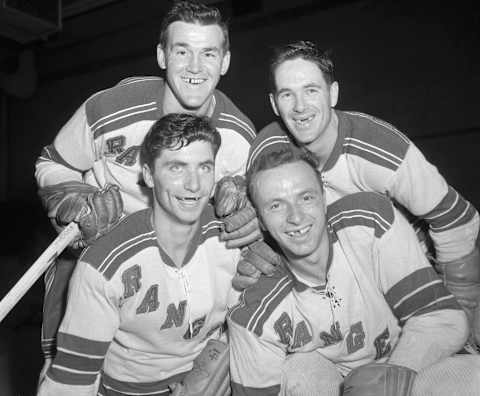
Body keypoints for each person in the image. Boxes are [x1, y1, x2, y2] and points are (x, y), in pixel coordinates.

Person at [35, 0, 258, 365]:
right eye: (182, 51)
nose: (196, 68)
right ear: (161, 55)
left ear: (226, 60)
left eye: (209, 53)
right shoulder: (109, 109)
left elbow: (243, 220)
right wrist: (73, 197)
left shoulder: (238, 137)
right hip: (96, 261)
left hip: (178, 281)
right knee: (70, 370)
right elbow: (53, 162)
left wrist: (251, 218)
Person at [238, 40, 480, 344]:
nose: (300, 107)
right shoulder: (266, 151)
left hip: (412, 264)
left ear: (333, 93)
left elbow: (456, 216)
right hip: (339, 271)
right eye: (288, 94)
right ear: (274, 104)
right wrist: (259, 243)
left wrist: (461, 302)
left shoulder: (380, 150)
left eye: (311, 90)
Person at [228, 146, 480, 395]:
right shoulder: (253, 313)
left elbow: (442, 318)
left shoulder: (368, 223)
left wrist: (389, 381)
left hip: (408, 363)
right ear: (260, 220)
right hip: (331, 382)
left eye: (306, 197)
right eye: (276, 206)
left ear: (324, 198)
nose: (295, 216)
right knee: (300, 369)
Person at [37, 113, 240, 396]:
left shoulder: (232, 238)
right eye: (177, 168)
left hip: (206, 377)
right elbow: (71, 384)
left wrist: (218, 368)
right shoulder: (105, 263)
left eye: (204, 167)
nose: (194, 185)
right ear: (148, 175)